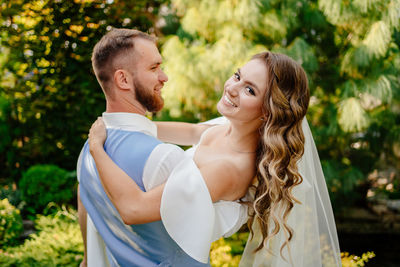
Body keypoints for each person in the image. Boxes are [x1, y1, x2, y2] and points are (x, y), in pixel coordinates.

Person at [88, 51, 342, 266]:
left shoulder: (229, 169)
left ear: (268, 112)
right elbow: (193, 132)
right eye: (238, 76)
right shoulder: (228, 128)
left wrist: (97, 148)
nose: (232, 88)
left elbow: (135, 209)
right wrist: (128, 124)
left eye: (249, 90)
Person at [77, 28, 212, 267]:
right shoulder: (163, 157)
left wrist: (88, 258)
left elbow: (85, 203)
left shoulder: (88, 151)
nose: (164, 77)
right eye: (154, 68)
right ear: (123, 80)